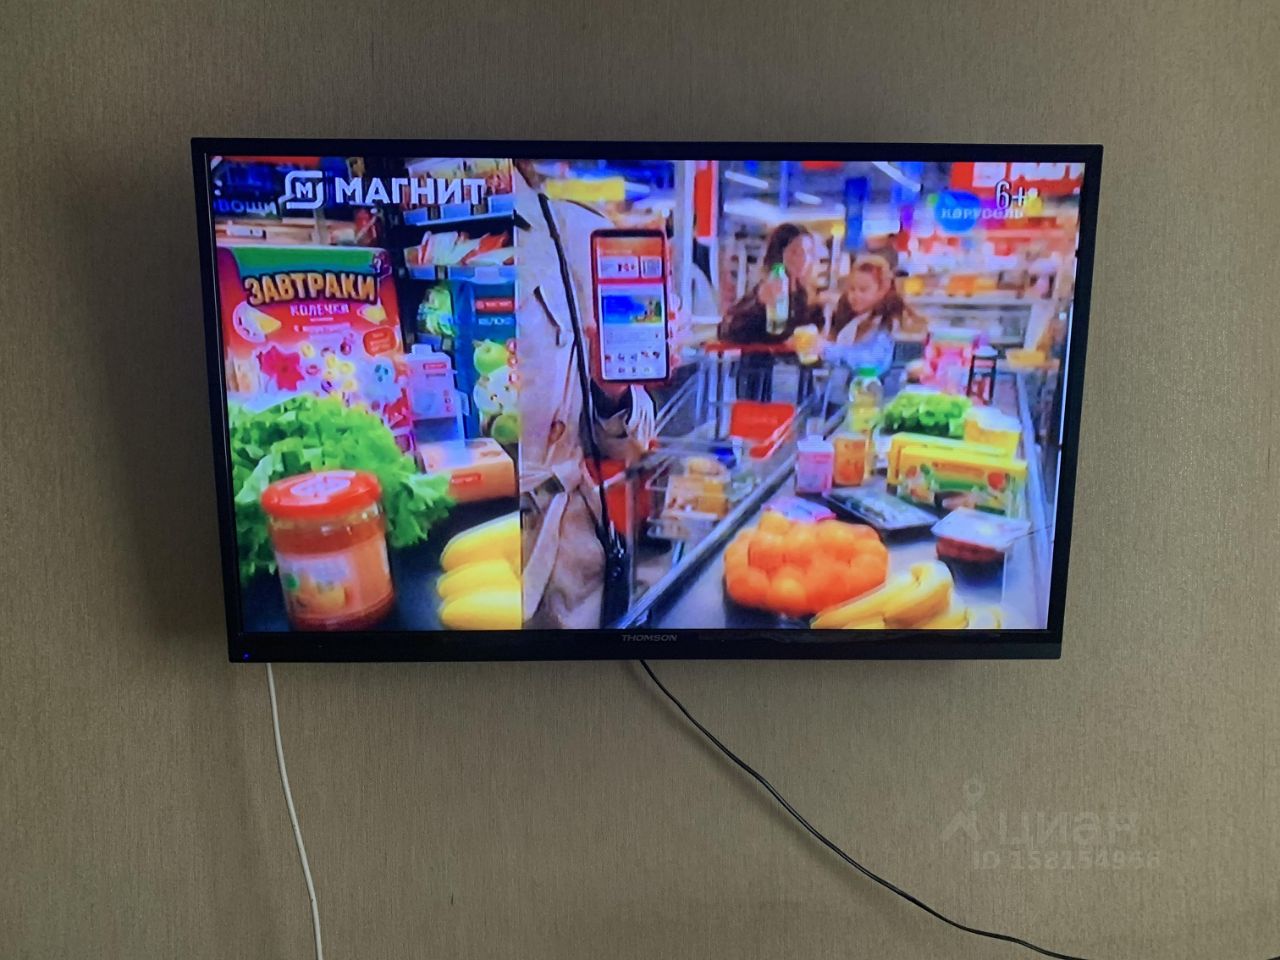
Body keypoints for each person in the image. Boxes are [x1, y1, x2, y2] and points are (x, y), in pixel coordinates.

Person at [512, 161, 656, 629]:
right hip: (435, 558)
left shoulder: (579, 233)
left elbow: (630, 442)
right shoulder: (385, 229)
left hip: (565, 570)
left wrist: (612, 392)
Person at [717, 223, 824, 344]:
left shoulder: (805, 298)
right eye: (795, 252)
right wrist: (759, 303)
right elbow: (726, 331)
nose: (804, 259)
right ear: (779, 254)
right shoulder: (764, 292)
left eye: (808, 252)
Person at [828, 253, 928, 372]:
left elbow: (873, 361)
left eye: (863, 290)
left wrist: (827, 349)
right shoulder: (853, 321)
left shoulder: (888, 324)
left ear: (882, 290)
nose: (855, 295)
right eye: (852, 289)